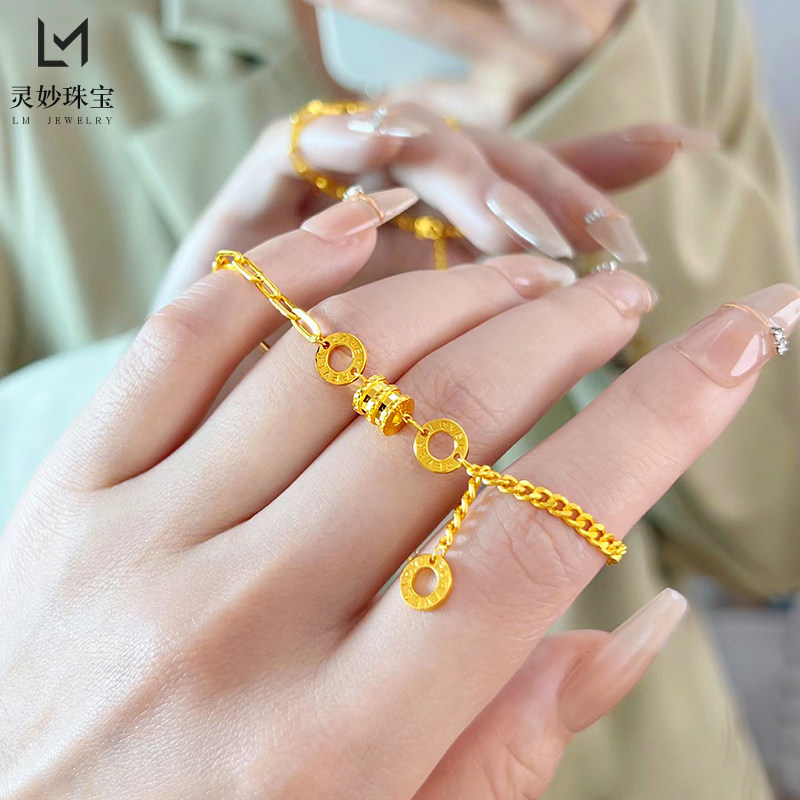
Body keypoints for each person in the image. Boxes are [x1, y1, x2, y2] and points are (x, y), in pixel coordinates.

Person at [1, 0, 798, 796]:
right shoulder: (38, 37)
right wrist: (164, 386)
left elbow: (777, 545)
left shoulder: (674, 17)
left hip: (652, 762)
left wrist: (585, 97)